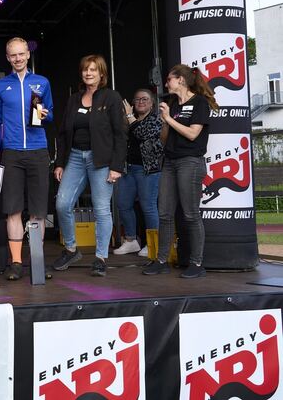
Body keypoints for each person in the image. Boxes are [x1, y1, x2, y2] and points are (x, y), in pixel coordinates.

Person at [53, 54, 126, 277]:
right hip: (75, 157)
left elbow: (120, 134)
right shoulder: (74, 99)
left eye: (93, 69)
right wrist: (60, 163)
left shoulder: (111, 97)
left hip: (101, 159)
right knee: (62, 204)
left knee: (101, 208)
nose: (88, 73)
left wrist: (117, 166)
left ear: (102, 73)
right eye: (85, 69)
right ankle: (71, 249)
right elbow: (63, 133)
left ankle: (101, 258)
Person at [143, 64, 217, 279]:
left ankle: (196, 263)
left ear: (181, 80)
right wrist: (165, 123)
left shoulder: (199, 103)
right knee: (165, 213)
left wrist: (169, 119)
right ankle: (162, 261)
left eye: (169, 79)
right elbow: (164, 139)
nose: (166, 84)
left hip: (190, 162)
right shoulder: (174, 104)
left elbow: (193, 134)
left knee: (190, 214)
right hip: (170, 161)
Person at [0, 37, 53, 280]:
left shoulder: (42, 82)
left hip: (38, 150)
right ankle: (16, 263)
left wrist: (45, 115)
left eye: (21, 54)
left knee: (38, 211)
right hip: (12, 152)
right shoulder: (0, 86)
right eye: (13, 55)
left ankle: (37, 261)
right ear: (8, 57)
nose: (17, 58)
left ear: (28, 54)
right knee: (13, 210)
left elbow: (50, 114)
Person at [113, 89, 163, 257]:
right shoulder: (128, 119)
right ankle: (131, 241)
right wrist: (125, 118)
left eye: (145, 99)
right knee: (123, 204)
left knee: (148, 206)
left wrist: (129, 116)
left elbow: (142, 133)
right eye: (137, 99)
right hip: (128, 169)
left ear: (152, 103)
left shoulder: (156, 118)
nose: (141, 102)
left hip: (147, 170)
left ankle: (152, 244)